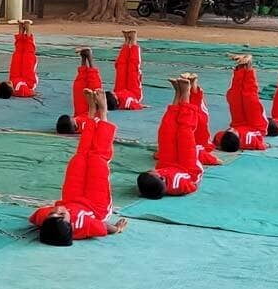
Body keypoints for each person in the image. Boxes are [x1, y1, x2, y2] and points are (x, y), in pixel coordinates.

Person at [30, 89, 128, 245]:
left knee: (80, 157)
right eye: (60, 216)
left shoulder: (45, 219)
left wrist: (53, 215)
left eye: (52, 215)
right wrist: (117, 229)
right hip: (96, 205)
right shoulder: (82, 226)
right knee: (97, 158)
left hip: (71, 198)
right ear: (70, 225)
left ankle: (91, 113)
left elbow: (35, 217)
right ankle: (102, 113)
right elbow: (104, 227)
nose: (57, 211)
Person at [137, 77, 204, 199]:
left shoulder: (153, 181)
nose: (151, 169)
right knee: (184, 130)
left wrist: (162, 171)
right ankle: (185, 93)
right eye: (151, 172)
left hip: (166, 164)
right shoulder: (178, 185)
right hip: (187, 167)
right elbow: (193, 185)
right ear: (159, 178)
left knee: (166, 129)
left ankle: (178, 93)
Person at [214, 54, 277, 151]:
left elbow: (217, 139)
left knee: (234, 96)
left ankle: (240, 66)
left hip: (238, 123)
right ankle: (248, 64)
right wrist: (267, 145)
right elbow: (261, 145)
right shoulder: (248, 141)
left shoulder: (222, 138)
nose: (229, 130)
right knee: (250, 96)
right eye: (232, 132)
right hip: (256, 125)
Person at [57, 47, 103, 134]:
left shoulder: (76, 120)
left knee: (78, 85)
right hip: (93, 112)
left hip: (80, 112)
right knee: (93, 83)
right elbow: (96, 121)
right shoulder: (83, 127)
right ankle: (89, 57)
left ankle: (83, 58)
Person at [184, 72, 221, 165]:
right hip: (196, 130)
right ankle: (186, 87)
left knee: (188, 108)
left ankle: (187, 86)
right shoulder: (202, 145)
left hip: (196, 128)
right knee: (187, 108)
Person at [0, 20, 38, 99]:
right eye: (8, 84)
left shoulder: (5, 86)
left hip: (15, 76)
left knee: (17, 54)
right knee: (28, 54)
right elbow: (31, 92)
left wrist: (6, 87)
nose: (6, 82)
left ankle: (21, 30)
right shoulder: (20, 91)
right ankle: (28, 29)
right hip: (28, 79)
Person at [107, 29, 144, 110]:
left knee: (120, 66)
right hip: (133, 92)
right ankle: (133, 41)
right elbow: (135, 105)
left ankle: (127, 42)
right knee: (132, 67)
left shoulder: (114, 95)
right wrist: (140, 105)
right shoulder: (127, 102)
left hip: (119, 91)